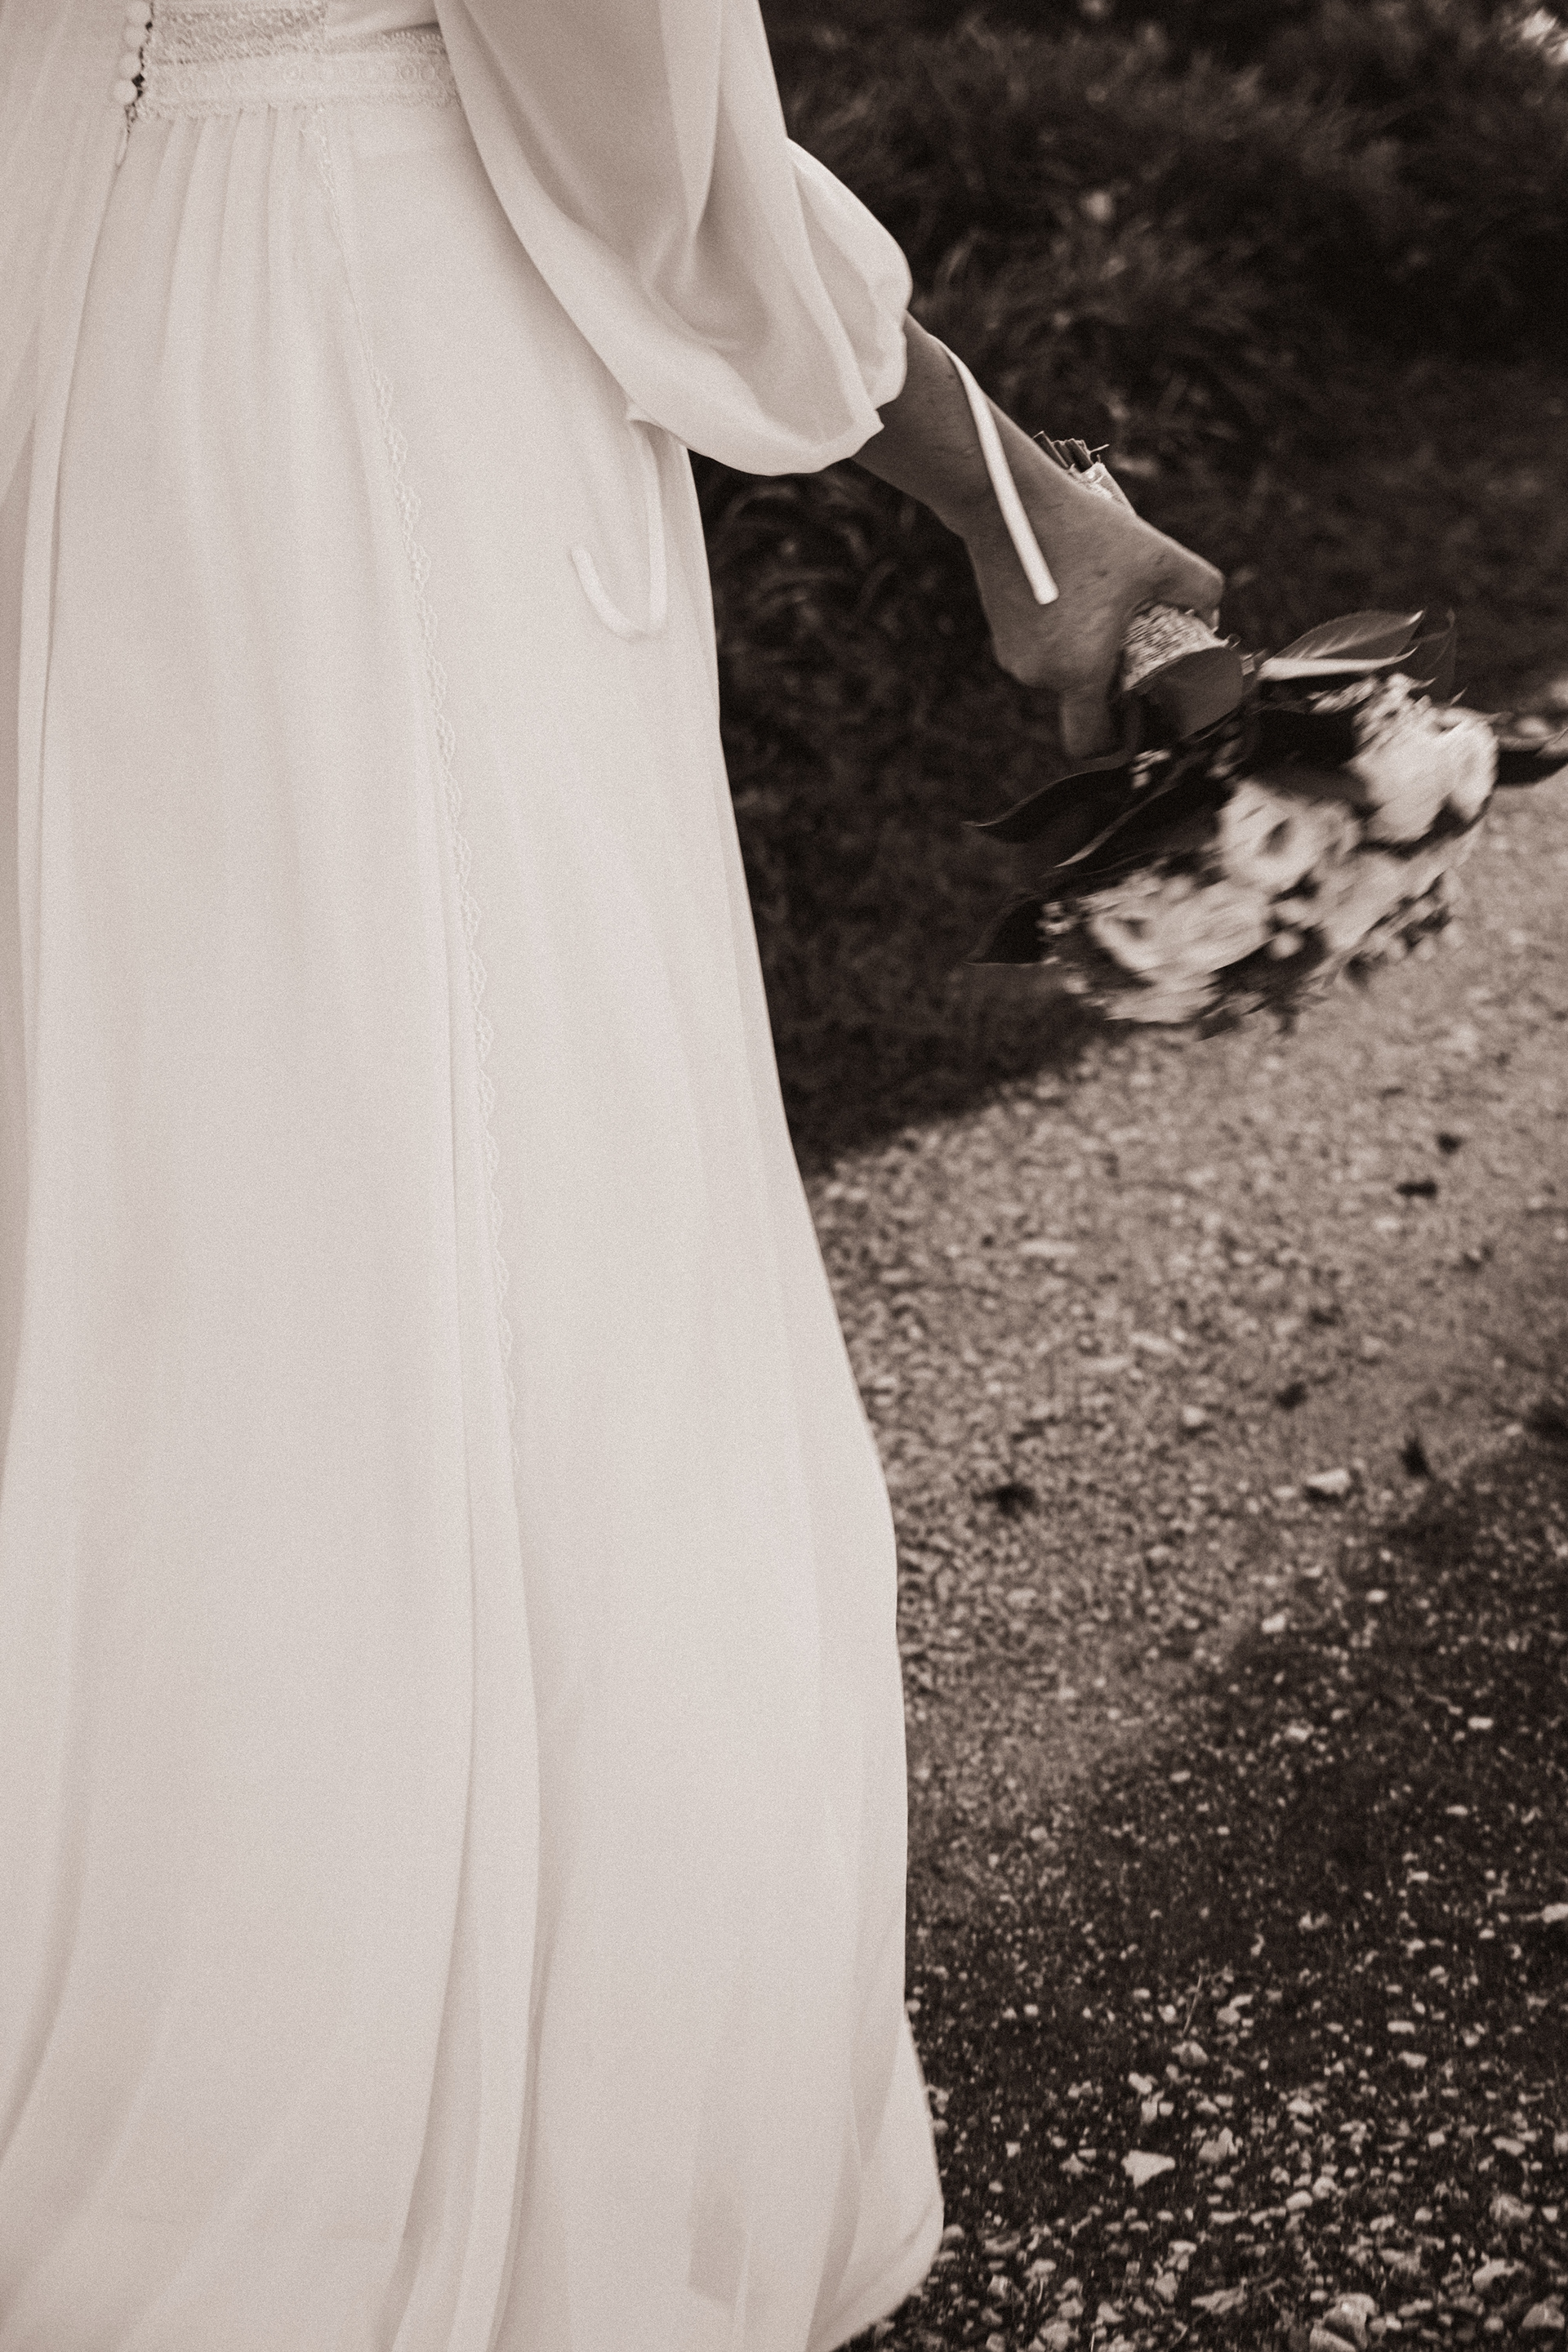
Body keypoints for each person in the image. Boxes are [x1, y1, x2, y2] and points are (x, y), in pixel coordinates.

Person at [0, 0, 1220, 2343]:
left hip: (91, 360)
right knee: (487, 1233)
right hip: (372, 376)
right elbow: (645, 151)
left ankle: (164, 2070)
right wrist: (1013, 496)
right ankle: (438, 2172)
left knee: (172, 1210)